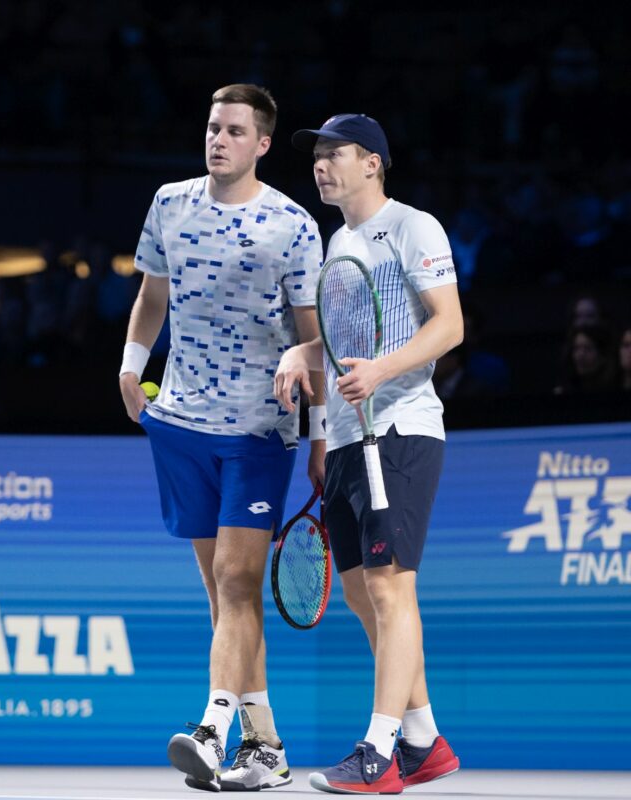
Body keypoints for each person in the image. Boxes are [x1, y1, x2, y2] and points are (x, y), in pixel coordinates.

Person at [118, 83, 325, 792]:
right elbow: (152, 294)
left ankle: (211, 731)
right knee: (223, 595)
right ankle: (265, 747)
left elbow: (313, 338)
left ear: (262, 144)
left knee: (237, 581)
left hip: (258, 430)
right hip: (179, 423)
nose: (219, 139)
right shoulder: (169, 204)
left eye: (235, 131)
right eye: (213, 127)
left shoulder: (294, 225)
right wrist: (131, 364)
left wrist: (319, 438)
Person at [275, 113, 463, 794]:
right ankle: (423, 740)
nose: (321, 165)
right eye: (317, 156)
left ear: (373, 163)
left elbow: (449, 324)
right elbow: (340, 345)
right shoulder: (339, 243)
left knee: (390, 586)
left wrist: (382, 371)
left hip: (401, 428)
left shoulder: (414, 227)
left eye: (335, 153)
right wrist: (304, 360)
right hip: (351, 439)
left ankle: (379, 751)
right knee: (360, 592)